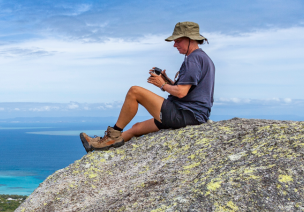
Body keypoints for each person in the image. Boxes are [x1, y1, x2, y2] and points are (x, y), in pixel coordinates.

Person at [80, 21, 215, 152]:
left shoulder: (193, 59)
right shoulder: (202, 58)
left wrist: (162, 85)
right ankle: (99, 145)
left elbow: (181, 93)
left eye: (178, 40)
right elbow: (189, 91)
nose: (174, 45)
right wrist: (167, 82)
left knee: (135, 91)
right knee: (136, 128)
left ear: (190, 39)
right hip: (191, 114)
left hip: (185, 115)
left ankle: (113, 136)